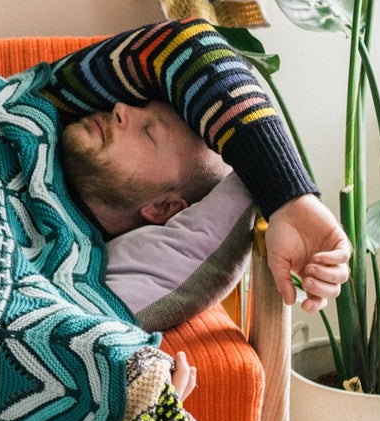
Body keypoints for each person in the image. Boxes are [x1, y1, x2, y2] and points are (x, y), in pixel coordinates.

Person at [28, 18, 352, 316]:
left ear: (164, 207)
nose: (120, 108)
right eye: (139, 108)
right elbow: (186, 44)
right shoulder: (36, 109)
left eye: (149, 132)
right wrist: (290, 198)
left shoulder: (61, 270)